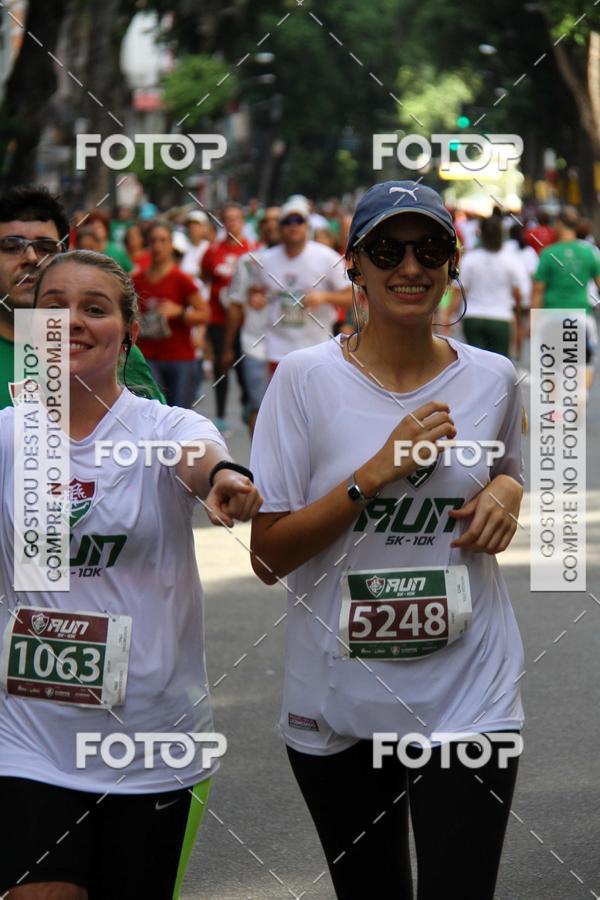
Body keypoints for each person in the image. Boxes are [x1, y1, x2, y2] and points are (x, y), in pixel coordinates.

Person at [250, 180, 525, 900]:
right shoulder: (303, 381)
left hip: (471, 690)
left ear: (452, 262)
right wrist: (373, 474)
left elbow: (510, 475)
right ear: (355, 267)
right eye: (387, 250)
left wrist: (509, 490)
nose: (411, 267)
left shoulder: (494, 378)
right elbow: (266, 554)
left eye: (429, 247)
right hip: (338, 697)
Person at [0, 250, 262, 899]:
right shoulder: (7, 436)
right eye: (55, 306)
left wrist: (227, 478)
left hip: (149, 741)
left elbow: (201, 458)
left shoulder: (163, 426)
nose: (73, 321)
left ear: (128, 330)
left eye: (94, 308)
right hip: (27, 737)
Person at [0, 186, 163, 409]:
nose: (31, 257)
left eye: (46, 248)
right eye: (11, 246)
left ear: (64, 259)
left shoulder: (109, 345)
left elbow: (162, 436)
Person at [248, 196, 351, 373]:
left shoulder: (327, 257)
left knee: (316, 400)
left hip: (317, 348)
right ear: (280, 227)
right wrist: (256, 299)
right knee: (281, 401)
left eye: (299, 220)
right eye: (288, 221)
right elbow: (254, 291)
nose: (293, 226)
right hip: (277, 350)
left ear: (307, 226)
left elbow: (354, 297)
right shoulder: (266, 259)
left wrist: (324, 297)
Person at [133, 220, 209, 408]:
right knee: (152, 413)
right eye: (153, 241)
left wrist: (180, 312)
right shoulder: (136, 279)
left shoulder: (181, 279)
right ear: (148, 244)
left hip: (179, 357)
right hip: (147, 356)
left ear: (170, 244)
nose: (158, 246)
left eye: (163, 240)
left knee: (178, 414)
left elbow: (204, 314)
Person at [532, 208, 600, 392]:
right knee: (584, 362)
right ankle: (580, 396)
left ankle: (554, 410)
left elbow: (538, 290)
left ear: (559, 224)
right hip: (581, 317)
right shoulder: (589, 253)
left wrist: (535, 322)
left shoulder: (548, 253)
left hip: (552, 317)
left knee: (551, 367)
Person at [201, 203, 253, 431]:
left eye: (236, 218)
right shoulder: (213, 251)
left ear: (242, 221)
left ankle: (248, 406)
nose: (232, 223)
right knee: (222, 363)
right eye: (228, 219)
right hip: (218, 319)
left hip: (245, 321)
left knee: (244, 366)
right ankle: (220, 415)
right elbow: (205, 277)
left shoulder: (252, 250)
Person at [450, 216, 523, 358]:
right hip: (501, 318)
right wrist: (518, 314)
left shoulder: (470, 259)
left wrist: (448, 315)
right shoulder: (510, 260)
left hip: (473, 318)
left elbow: (459, 291)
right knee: (499, 366)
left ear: (480, 234)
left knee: (476, 364)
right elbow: (517, 292)